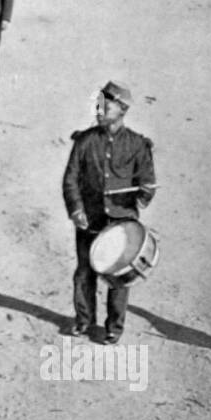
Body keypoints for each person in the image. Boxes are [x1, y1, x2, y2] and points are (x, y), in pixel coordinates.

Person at [62, 80, 156, 344]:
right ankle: (83, 320)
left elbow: (147, 180)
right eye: (98, 104)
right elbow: (70, 179)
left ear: (122, 110)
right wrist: (76, 210)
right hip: (89, 219)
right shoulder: (85, 141)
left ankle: (114, 326)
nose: (99, 109)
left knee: (118, 277)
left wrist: (145, 193)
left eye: (106, 105)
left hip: (121, 222)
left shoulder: (138, 145)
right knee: (84, 272)